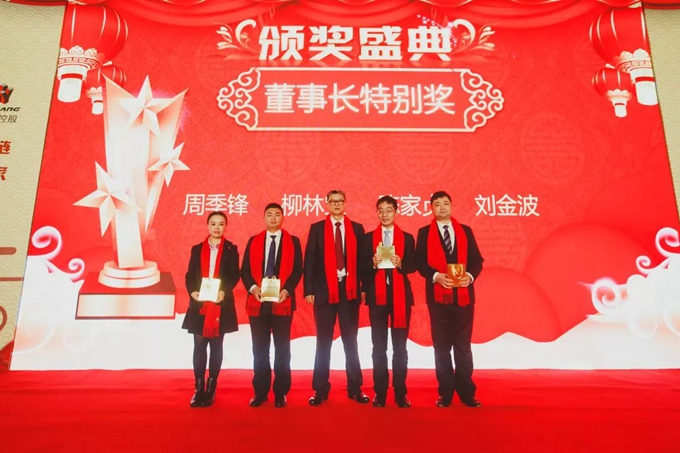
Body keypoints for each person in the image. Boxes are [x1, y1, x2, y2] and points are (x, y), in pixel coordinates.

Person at [415, 191, 484, 408]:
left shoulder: (465, 231)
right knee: (441, 346)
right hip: (438, 298)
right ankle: (445, 392)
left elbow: (477, 261)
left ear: (451, 206)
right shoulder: (424, 233)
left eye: (445, 203)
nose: (442, 207)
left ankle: (467, 393)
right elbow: (420, 263)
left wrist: (469, 277)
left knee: (463, 346)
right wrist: (436, 276)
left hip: (463, 297)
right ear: (431, 208)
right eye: (437, 204)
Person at [304, 189, 369, 406]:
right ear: (327, 204)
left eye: (340, 201)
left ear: (345, 203)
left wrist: (364, 287)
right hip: (324, 292)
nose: (337, 204)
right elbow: (309, 261)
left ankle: (355, 388)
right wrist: (309, 290)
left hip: (349, 291)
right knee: (323, 342)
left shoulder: (357, 229)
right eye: (333, 201)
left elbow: (363, 262)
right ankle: (320, 389)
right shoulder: (317, 229)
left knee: (351, 341)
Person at [241, 203, 303, 408]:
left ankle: (280, 392)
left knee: (282, 349)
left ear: (283, 217)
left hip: (282, 302)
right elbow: (245, 270)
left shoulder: (293, 242)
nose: (273, 218)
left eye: (277, 214)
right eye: (269, 214)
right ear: (264, 218)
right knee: (260, 349)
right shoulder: (254, 241)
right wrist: (253, 288)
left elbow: (297, 270)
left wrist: (287, 290)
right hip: (258, 303)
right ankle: (260, 392)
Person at [359, 195, 417, 408]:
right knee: (379, 347)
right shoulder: (368, 239)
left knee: (400, 348)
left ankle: (400, 393)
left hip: (401, 297)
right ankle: (380, 392)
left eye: (389, 210)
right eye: (381, 210)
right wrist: (372, 263)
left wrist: (401, 263)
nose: (384, 214)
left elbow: (413, 265)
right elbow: (360, 267)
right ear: (377, 212)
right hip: (377, 297)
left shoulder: (407, 238)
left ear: (396, 212)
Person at [182, 211, 240, 408]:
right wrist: (193, 292)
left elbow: (234, 275)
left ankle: (211, 388)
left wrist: (224, 291)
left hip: (220, 303)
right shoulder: (197, 249)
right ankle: (198, 389)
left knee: (216, 346)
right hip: (200, 304)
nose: (217, 227)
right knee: (199, 345)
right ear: (207, 226)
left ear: (225, 226)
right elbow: (190, 275)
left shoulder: (231, 249)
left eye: (221, 224)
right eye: (213, 223)